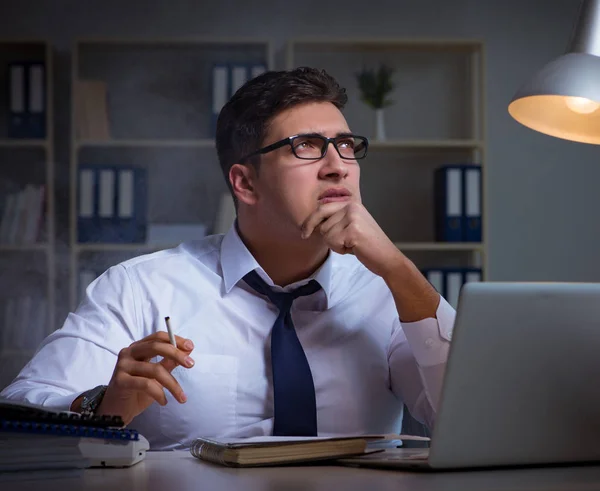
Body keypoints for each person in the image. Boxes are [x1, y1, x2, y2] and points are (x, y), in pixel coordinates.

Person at [0, 67, 455, 450]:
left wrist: (398, 269)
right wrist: (103, 403)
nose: (337, 164)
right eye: (307, 146)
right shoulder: (140, 288)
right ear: (245, 183)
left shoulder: (388, 291)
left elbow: (469, 418)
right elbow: (20, 407)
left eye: (346, 145)